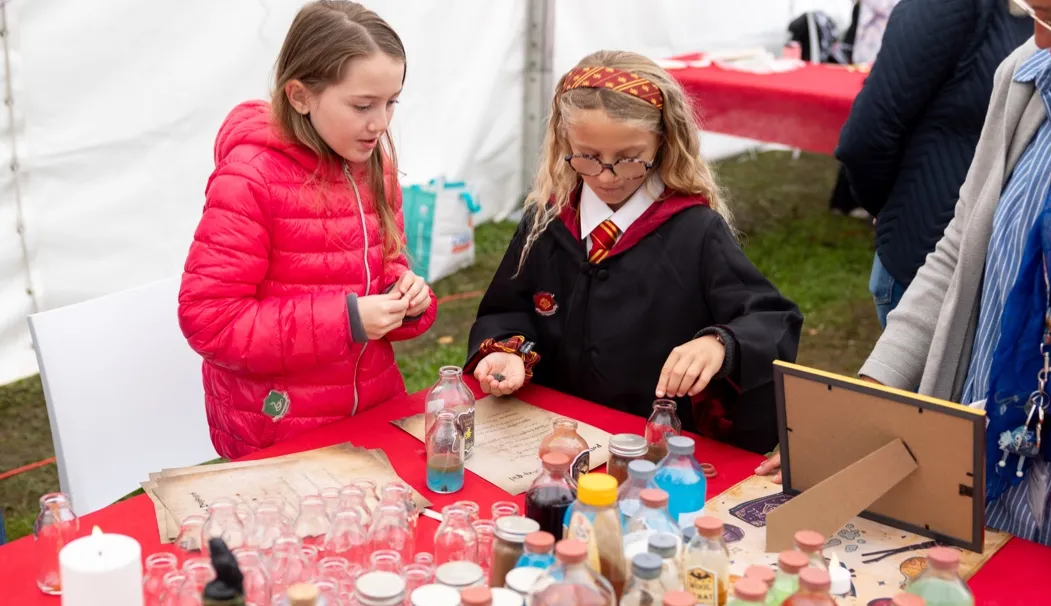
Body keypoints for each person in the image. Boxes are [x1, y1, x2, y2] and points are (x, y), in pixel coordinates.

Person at [760, 0, 1051, 554]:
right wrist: (865, 402)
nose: (1044, 39)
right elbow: (958, 252)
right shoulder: (1026, 75)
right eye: (1034, 12)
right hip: (993, 470)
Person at [465, 51, 803, 454]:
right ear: (563, 141)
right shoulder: (550, 220)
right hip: (553, 434)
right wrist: (510, 353)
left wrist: (720, 343)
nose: (606, 176)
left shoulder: (694, 230)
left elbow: (771, 319)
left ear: (662, 143)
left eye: (628, 159)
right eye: (588, 156)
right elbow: (509, 308)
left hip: (648, 445)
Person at [178, 1, 436, 459]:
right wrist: (350, 320)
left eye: (391, 102)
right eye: (362, 105)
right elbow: (211, 322)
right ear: (300, 96)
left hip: (373, 415)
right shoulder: (250, 180)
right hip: (281, 435)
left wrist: (407, 299)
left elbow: (386, 266)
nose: (380, 122)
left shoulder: (376, 167)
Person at [835, 0, 1031, 327]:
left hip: (1001, 260)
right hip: (927, 257)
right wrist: (888, 206)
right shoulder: (945, 6)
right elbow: (867, 135)